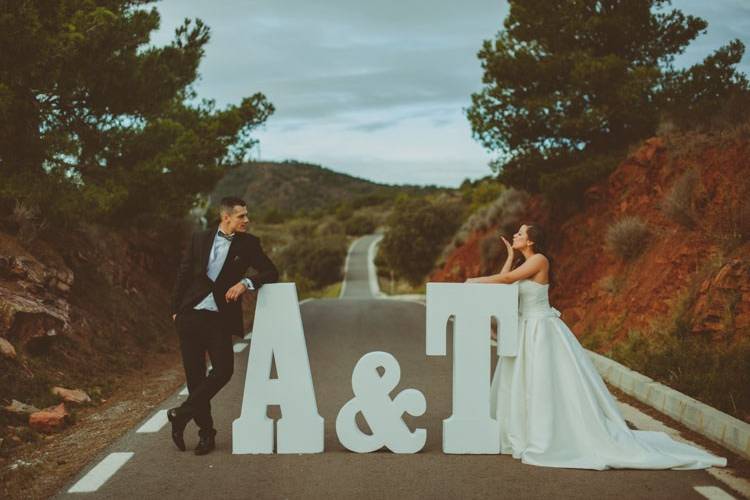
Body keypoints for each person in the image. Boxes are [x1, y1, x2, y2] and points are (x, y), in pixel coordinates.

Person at [466, 223, 726, 470]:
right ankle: (524, 432)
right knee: (524, 384)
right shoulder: (525, 261)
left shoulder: (539, 260)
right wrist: (510, 256)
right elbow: (504, 282)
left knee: (543, 384)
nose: (516, 235)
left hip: (540, 330)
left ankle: (551, 436)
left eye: (520, 233)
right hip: (526, 329)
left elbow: (506, 280)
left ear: (531, 240)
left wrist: (475, 281)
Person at [169, 196, 279, 455]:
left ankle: (181, 414)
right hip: (190, 316)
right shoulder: (200, 238)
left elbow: (271, 271)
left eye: (246, 215)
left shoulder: (249, 244)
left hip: (219, 319)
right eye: (242, 216)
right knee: (195, 379)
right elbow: (184, 274)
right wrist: (175, 310)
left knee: (223, 371)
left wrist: (246, 283)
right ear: (226, 217)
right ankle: (206, 435)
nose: (247, 220)